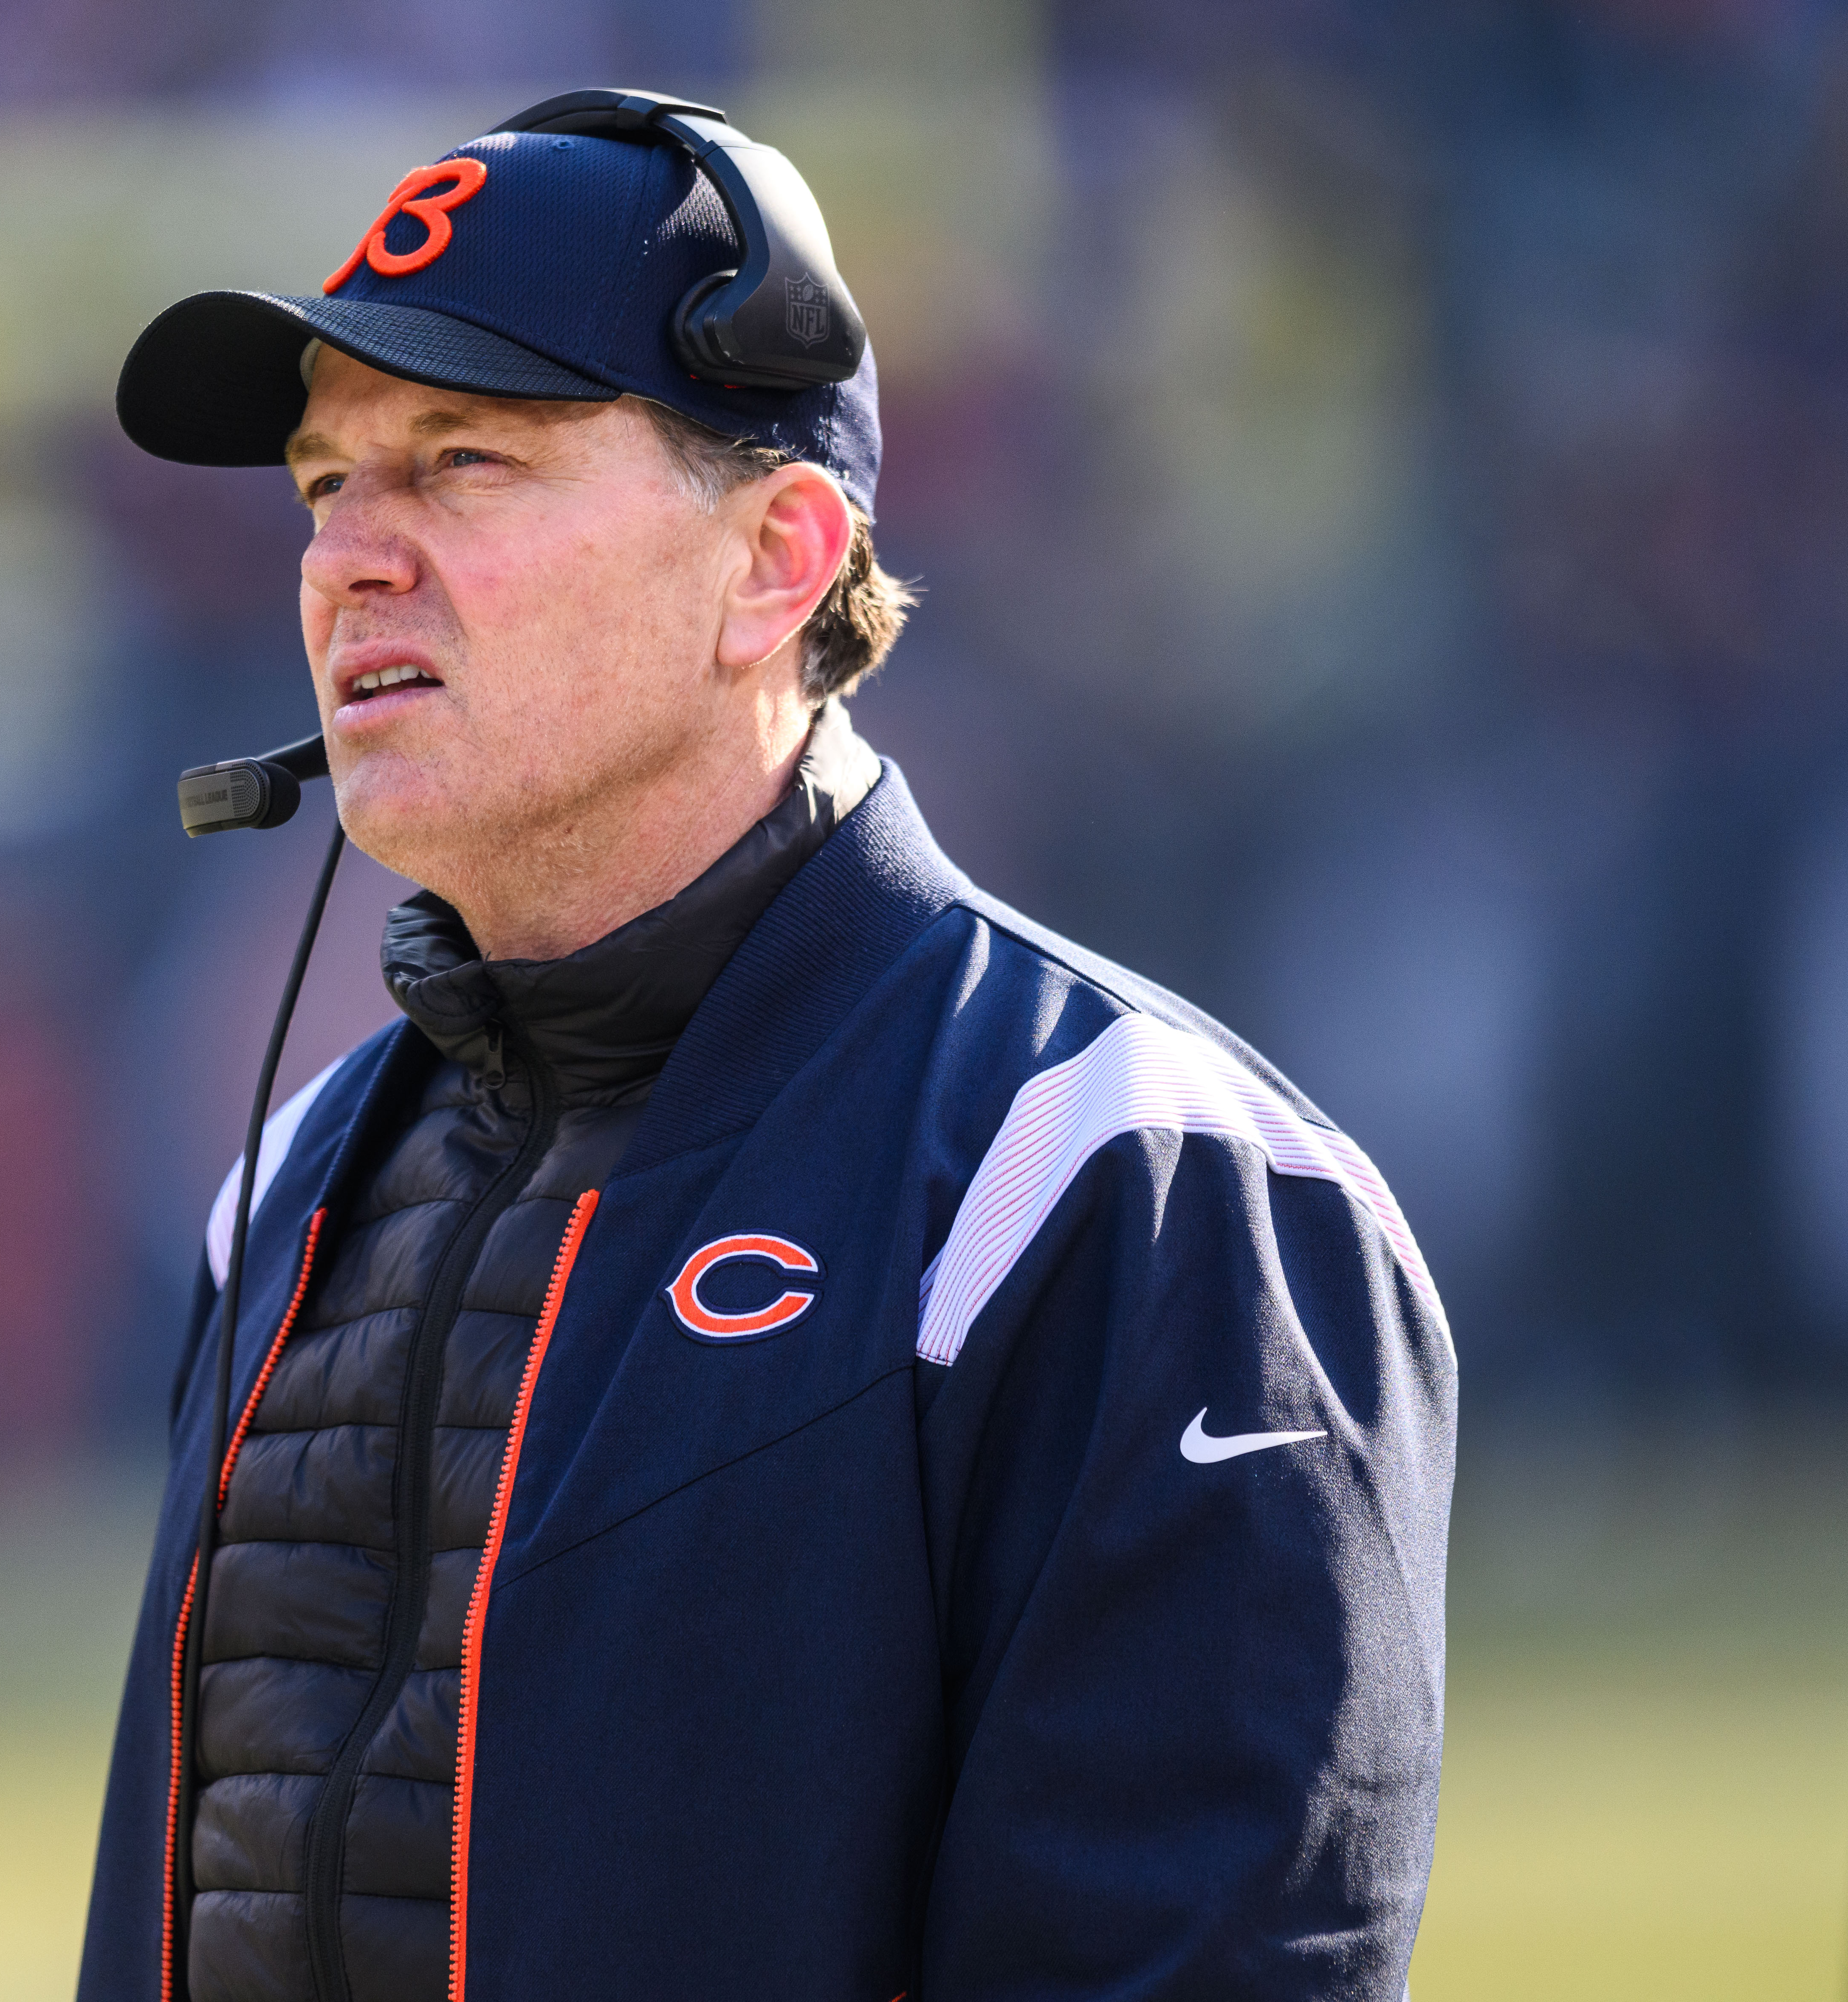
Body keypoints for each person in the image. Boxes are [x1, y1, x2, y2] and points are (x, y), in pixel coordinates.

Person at [81, 90, 1454, 2002]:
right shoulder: (290, 1188)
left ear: (776, 560)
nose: (348, 561)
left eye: (465, 461)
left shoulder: (1126, 1182)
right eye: (325, 484)